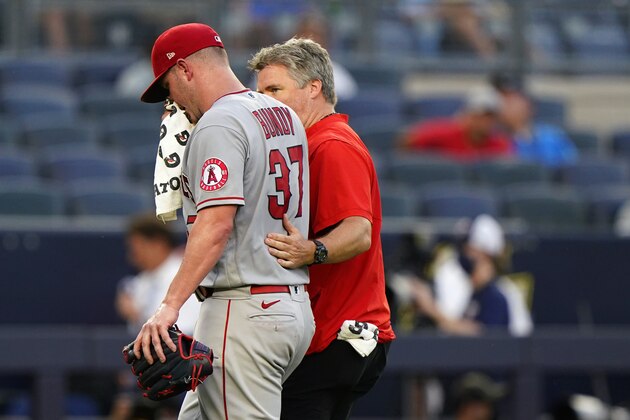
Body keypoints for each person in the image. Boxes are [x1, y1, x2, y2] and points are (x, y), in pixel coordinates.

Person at [134, 23, 314, 419]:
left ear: (184, 70)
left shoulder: (219, 122)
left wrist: (169, 307)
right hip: (289, 307)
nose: (172, 101)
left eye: (167, 87)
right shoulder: (281, 113)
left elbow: (215, 227)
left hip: (244, 310)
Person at [249, 37, 396, 419]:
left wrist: (311, 251)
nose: (263, 100)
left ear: (313, 88)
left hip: (336, 333)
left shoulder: (330, 144)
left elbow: (358, 231)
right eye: (260, 91)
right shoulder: (311, 143)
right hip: (343, 333)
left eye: (274, 89)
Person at [112, 213, 200, 420]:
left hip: (182, 368)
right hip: (149, 367)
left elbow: (179, 333)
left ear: (157, 243)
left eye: (137, 247)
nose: (132, 256)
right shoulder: (142, 280)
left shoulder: (180, 273)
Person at [399, 85, 513, 161]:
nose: (484, 122)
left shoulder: (499, 144)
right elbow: (408, 140)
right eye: (479, 116)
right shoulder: (445, 131)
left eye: (489, 117)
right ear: (468, 115)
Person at [493, 76, 579, 167]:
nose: (502, 105)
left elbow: (570, 168)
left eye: (509, 99)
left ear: (527, 105)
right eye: (500, 99)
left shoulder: (551, 138)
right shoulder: (488, 139)